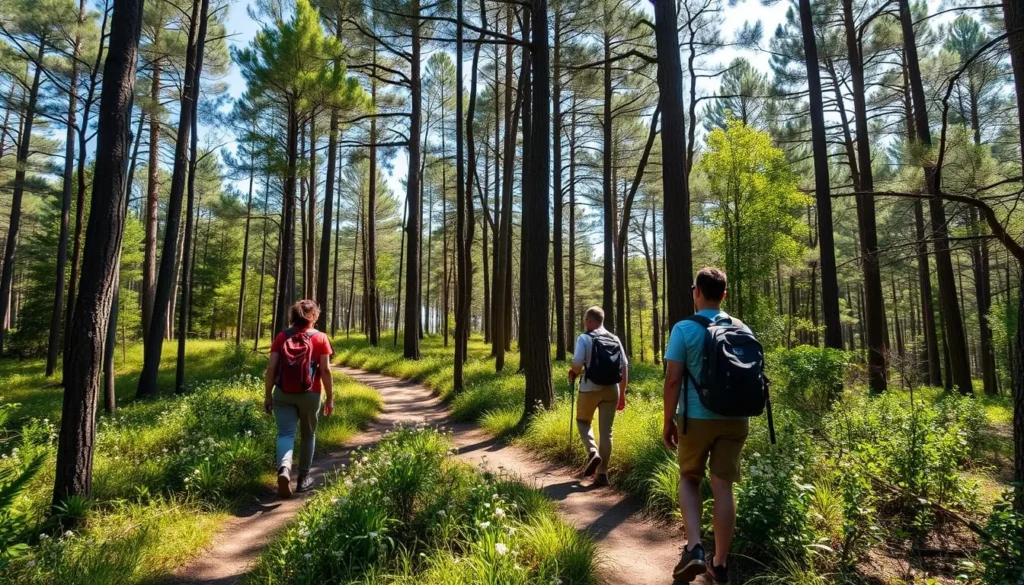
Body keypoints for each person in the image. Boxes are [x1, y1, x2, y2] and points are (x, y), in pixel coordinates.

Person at [662, 267, 748, 585]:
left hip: (696, 418)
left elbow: (672, 380)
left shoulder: (684, 329)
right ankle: (720, 565)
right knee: (723, 486)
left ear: (696, 291)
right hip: (737, 419)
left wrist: (668, 419)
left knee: (689, 478)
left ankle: (695, 548)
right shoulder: (741, 327)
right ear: (724, 295)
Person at [264, 300, 334, 498]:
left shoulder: (282, 336)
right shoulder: (321, 338)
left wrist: (268, 394)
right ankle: (303, 480)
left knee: (285, 434)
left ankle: (284, 469)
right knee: (308, 435)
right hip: (310, 393)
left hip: (283, 393)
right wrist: (329, 398)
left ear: (292, 316)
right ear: (314, 316)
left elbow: (271, 368)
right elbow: (326, 370)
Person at [567, 306, 628, 487]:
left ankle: (593, 452)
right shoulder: (615, 338)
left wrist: (573, 372)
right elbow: (624, 367)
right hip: (612, 390)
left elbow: (577, 362)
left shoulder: (585, 338)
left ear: (591, 320)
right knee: (607, 432)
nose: (585, 323)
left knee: (582, 421)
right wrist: (622, 393)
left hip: (590, 388)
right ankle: (602, 475)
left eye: (586, 320)